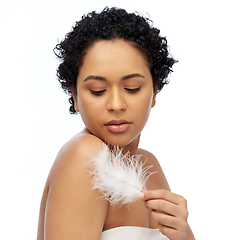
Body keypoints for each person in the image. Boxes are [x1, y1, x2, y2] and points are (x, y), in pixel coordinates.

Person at [37, 7, 195, 240]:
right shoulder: (86, 158)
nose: (116, 104)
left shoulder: (149, 165)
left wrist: (183, 235)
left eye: (132, 88)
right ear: (75, 97)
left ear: (154, 92)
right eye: (98, 91)